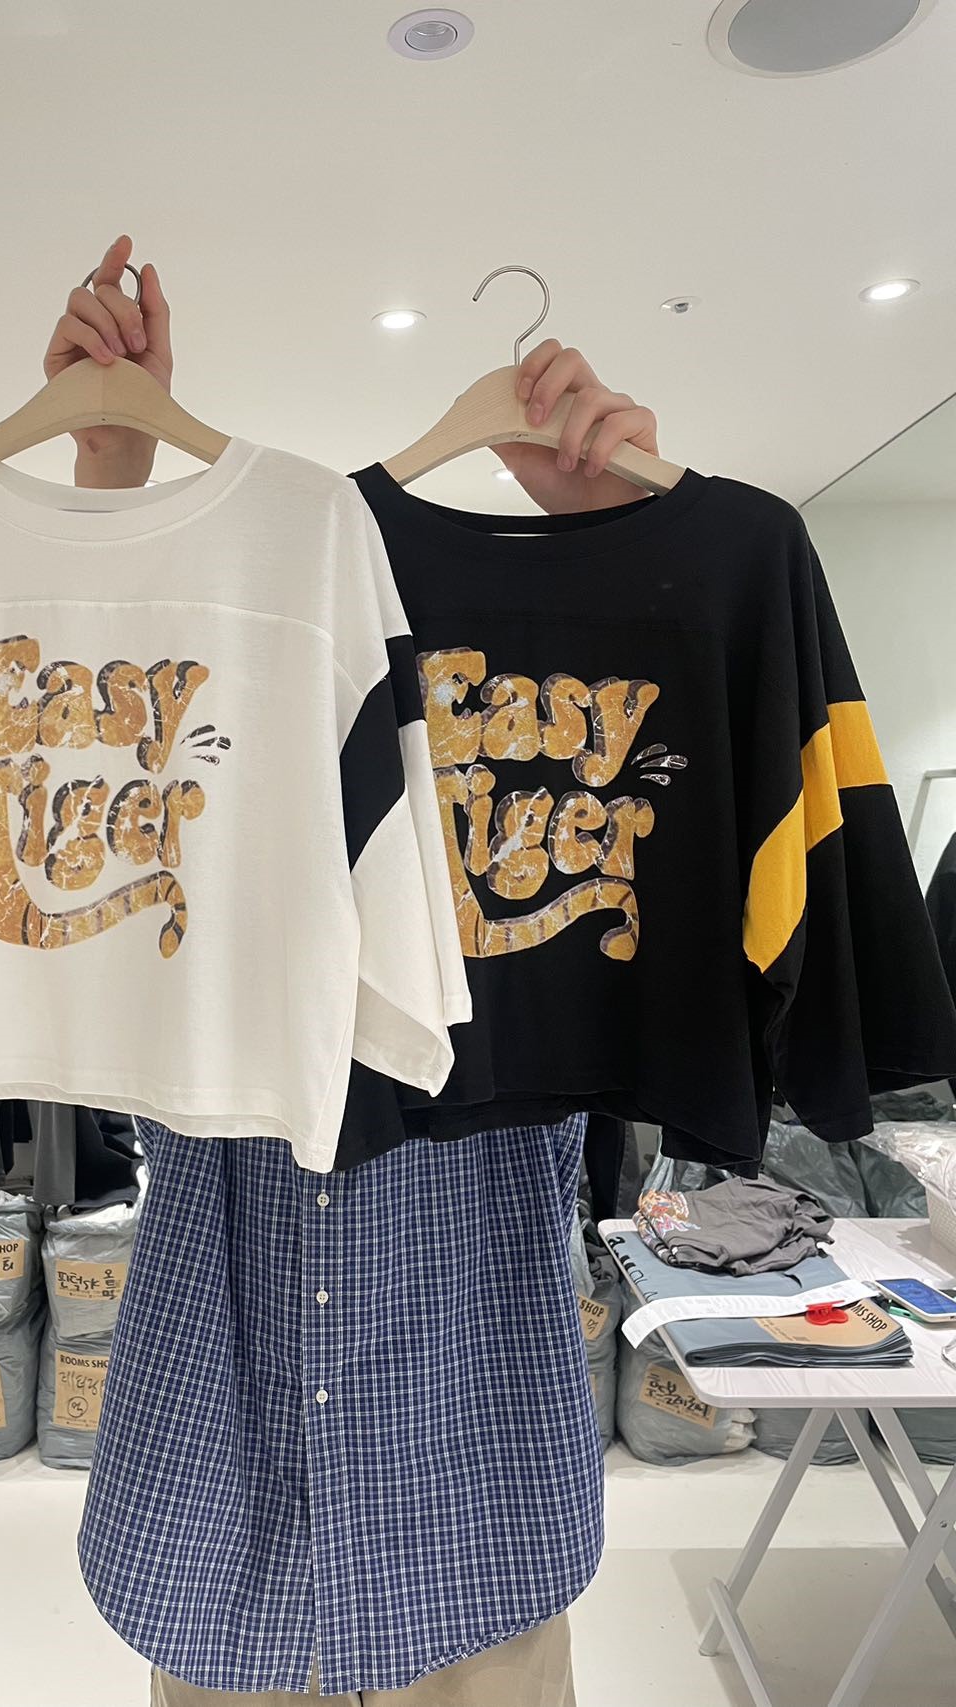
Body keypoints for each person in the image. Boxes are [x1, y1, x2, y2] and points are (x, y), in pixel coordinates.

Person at [50, 235, 665, 1707]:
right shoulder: (205, 750)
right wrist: (111, 482)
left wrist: (627, 546)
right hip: (223, 1469)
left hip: (474, 1471)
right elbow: (84, 753)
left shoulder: (552, 755)